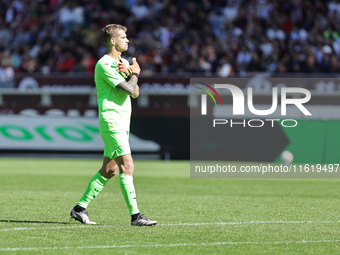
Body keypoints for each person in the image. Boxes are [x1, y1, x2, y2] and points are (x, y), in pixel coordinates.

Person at [70, 24, 157, 226]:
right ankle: (136, 216)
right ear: (113, 40)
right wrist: (134, 74)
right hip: (112, 121)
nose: (127, 40)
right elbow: (129, 88)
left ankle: (79, 209)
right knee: (128, 165)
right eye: (124, 37)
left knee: (109, 171)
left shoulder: (122, 62)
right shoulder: (105, 64)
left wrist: (130, 73)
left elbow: (135, 93)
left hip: (122, 121)